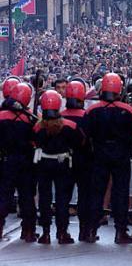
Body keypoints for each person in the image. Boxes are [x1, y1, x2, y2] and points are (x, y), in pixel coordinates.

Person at [85, 73, 132, 244]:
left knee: (97, 193)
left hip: (99, 154)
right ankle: (120, 231)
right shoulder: (128, 110)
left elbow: (84, 134)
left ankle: (91, 229)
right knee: (121, 193)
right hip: (121, 154)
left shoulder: (92, 109)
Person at [33, 90, 84, 244]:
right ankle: (62, 232)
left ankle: (46, 233)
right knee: (62, 200)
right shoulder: (70, 126)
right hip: (63, 163)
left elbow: (33, 143)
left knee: (45, 199)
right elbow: (81, 142)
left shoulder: (38, 127)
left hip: (44, 163)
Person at [0, 83, 38, 242]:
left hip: (5, 160)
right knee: (27, 197)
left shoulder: (1, 116)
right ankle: (28, 231)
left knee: (3, 195)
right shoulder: (31, 118)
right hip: (26, 162)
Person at [60, 80, 91, 242]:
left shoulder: (59, 116)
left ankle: (62, 231)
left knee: (63, 197)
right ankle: (84, 231)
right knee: (85, 196)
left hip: (63, 160)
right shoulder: (87, 116)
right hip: (84, 160)